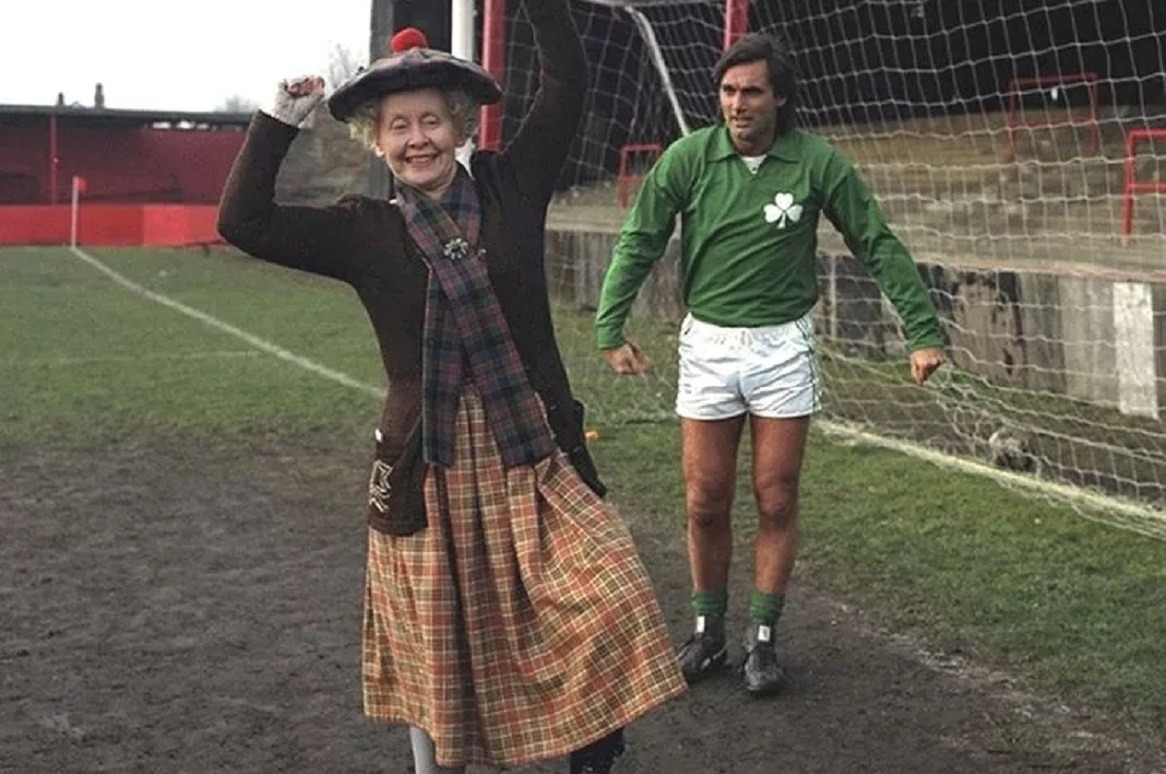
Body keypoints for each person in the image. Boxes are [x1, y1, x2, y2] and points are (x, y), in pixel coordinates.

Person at [216, 2, 686, 772]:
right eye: (397, 126)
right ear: (379, 140)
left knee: (606, 596)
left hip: (532, 451)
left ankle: (593, 751)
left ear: (462, 124)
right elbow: (243, 221)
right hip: (427, 467)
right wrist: (280, 117)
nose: (416, 139)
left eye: (431, 120)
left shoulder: (512, 187)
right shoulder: (362, 229)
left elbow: (566, 82)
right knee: (440, 641)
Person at [594, 32, 946, 697]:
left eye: (752, 90)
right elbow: (640, 239)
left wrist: (921, 332)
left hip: (783, 346)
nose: (738, 103)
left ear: (779, 97)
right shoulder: (687, 159)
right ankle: (707, 633)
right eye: (728, 91)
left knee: (775, 495)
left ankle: (763, 640)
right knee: (704, 499)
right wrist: (611, 327)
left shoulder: (818, 163)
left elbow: (875, 241)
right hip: (709, 346)